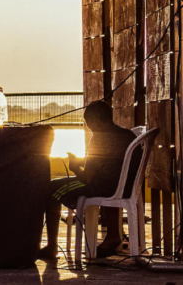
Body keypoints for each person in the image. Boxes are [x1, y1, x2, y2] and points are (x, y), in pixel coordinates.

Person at [38, 100, 137, 261]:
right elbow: (108, 164)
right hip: (124, 186)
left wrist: (75, 167)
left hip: (103, 186)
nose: (88, 127)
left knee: (52, 188)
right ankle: (113, 235)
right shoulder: (128, 135)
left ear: (96, 119)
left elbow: (88, 179)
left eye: (88, 122)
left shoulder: (99, 139)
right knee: (59, 185)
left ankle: (52, 246)